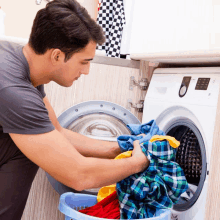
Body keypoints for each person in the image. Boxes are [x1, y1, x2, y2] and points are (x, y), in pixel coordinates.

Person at [0, 0, 149, 219]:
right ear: (57, 56)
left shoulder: (22, 63)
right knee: (29, 147)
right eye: (84, 62)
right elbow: (78, 175)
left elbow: (56, 132)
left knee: (32, 141)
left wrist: (116, 149)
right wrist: (136, 163)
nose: (87, 71)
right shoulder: (14, 90)